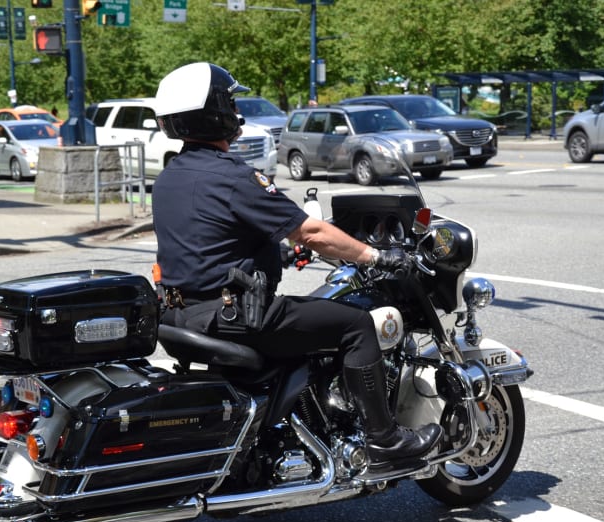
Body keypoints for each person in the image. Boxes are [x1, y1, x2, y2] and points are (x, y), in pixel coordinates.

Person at [152, 62, 442, 475]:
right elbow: (311, 231)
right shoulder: (233, 176)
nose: (235, 109)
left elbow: (209, 244)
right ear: (216, 110)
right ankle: (385, 440)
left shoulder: (170, 177)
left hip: (181, 317)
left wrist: (277, 255)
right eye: (230, 100)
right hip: (234, 317)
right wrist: (377, 256)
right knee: (356, 325)